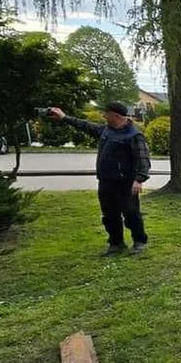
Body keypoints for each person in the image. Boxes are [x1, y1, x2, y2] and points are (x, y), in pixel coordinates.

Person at [46, 103, 151, 256]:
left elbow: (143, 159)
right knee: (109, 214)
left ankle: (139, 242)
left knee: (131, 214)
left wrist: (139, 179)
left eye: (106, 113)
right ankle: (116, 243)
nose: (104, 116)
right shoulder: (106, 131)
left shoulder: (134, 135)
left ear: (116, 116)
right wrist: (64, 118)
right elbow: (85, 126)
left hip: (125, 183)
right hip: (106, 181)